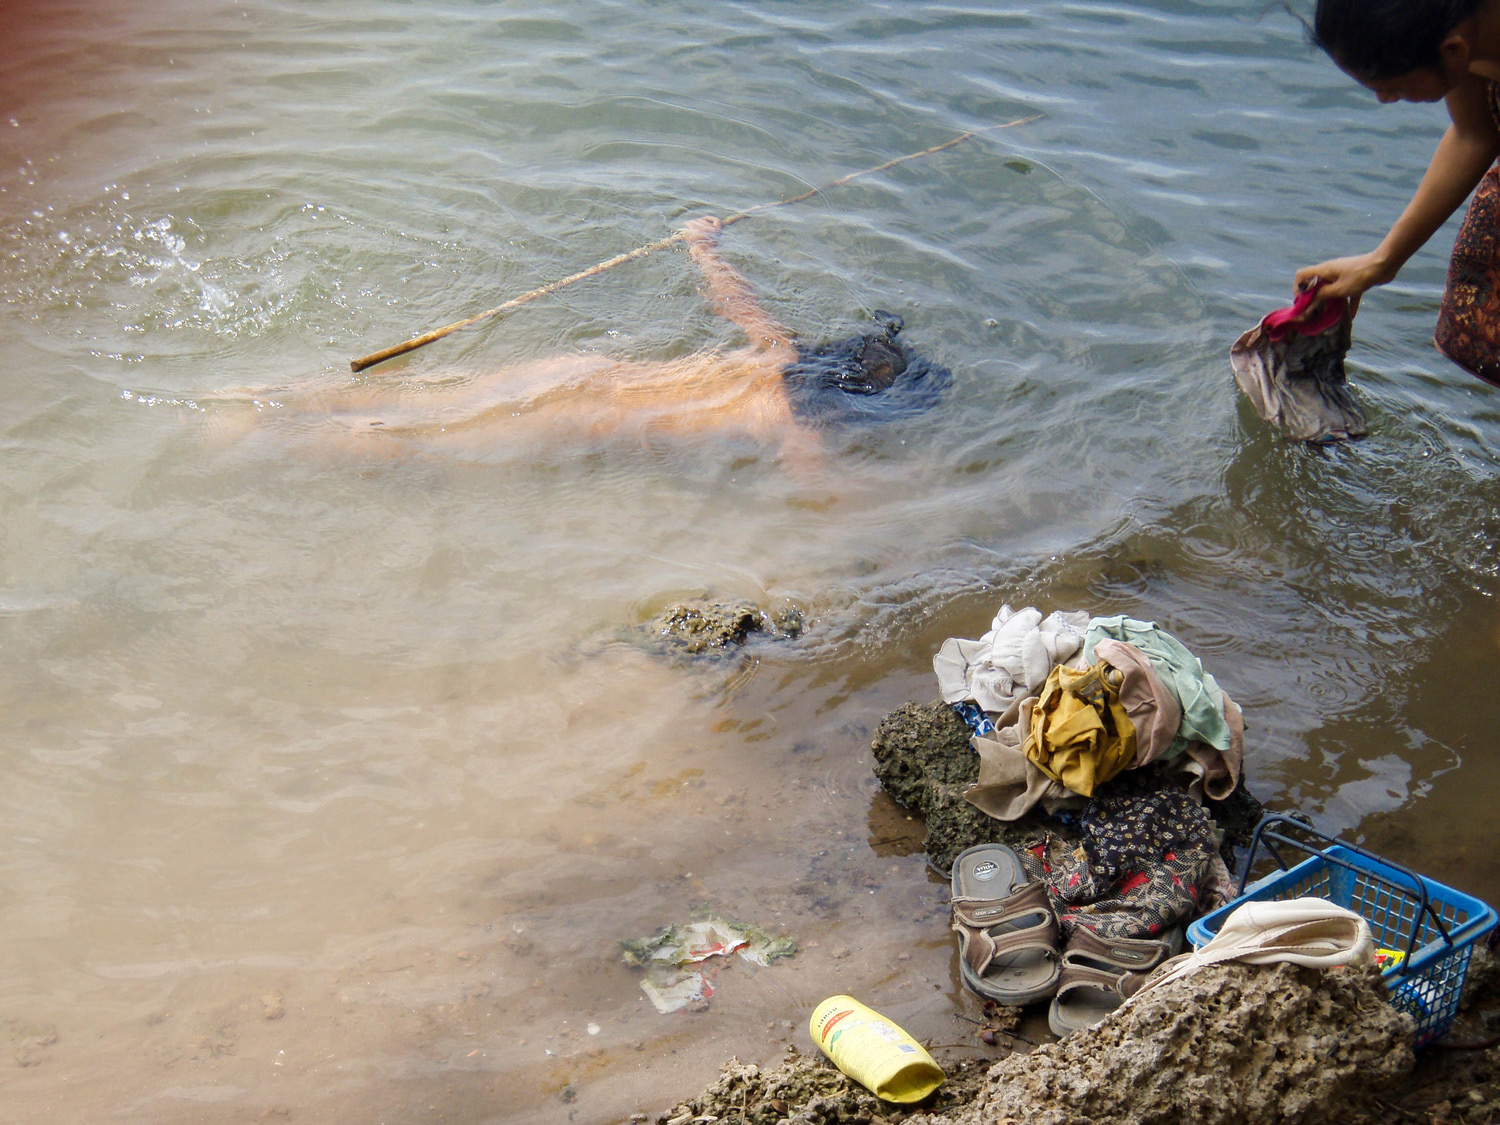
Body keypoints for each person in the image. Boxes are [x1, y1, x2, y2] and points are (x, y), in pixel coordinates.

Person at [216, 217, 950, 460]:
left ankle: (255, 400)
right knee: (418, 437)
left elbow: (734, 297)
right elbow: (824, 516)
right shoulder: (799, 432)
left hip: (580, 369)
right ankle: (246, 440)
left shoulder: (781, 353)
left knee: (423, 395)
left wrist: (701, 245)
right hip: (586, 415)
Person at [1296, 0, 1500, 384]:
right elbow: (1475, 133)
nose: (1385, 100)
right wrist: (1381, 262)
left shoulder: (1461, 37)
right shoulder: (1466, 28)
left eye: (1395, 87)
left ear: (1450, 51)